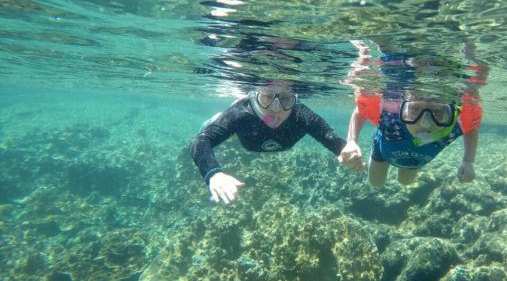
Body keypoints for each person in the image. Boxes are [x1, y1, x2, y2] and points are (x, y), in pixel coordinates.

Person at [190, 81, 356, 204]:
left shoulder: (302, 116)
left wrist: (347, 150)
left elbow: (333, 140)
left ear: (295, 99)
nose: (276, 108)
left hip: (251, 139)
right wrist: (213, 173)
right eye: (267, 97)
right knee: (223, 125)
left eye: (286, 99)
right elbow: (200, 140)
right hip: (241, 134)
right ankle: (219, 119)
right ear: (255, 95)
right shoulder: (241, 113)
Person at [339, 92, 481, 186]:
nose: (425, 123)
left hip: (414, 161)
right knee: (376, 183)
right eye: (415, 110)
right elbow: (361, 110)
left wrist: (468, 161)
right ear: (402, 109)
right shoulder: (390, 119)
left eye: (437, 112)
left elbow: (470, 128)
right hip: (383, 150)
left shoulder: (451, 126)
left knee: (405, 182)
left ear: (451, 114)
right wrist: (351, 141)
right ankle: (378, 136)